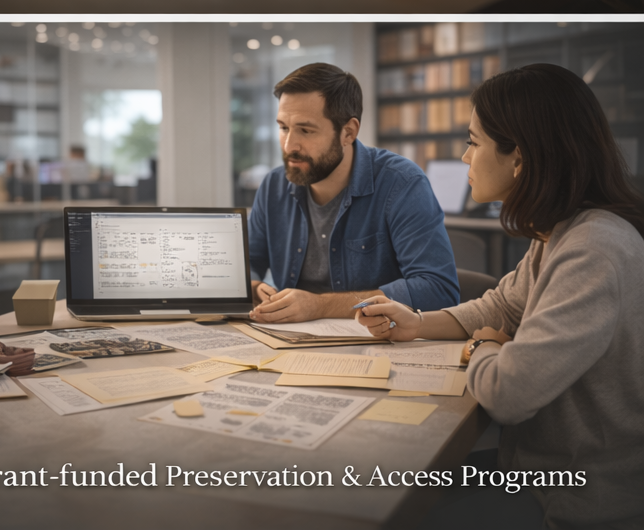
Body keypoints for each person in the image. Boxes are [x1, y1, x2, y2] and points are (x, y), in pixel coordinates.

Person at [357, 64, 644, 528]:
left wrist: (482, 347)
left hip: (575, 499)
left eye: (474, 142)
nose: (465, 157)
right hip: (535, 471)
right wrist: (417, 322)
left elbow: (508, 393)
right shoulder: (561, 233)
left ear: (519, 158)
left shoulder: (593, 251)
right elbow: (502, 307)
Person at [247, 63, 459, 322]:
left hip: (373, 341)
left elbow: (439, 290)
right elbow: (248, 263)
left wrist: (321, 306)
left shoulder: (401, 183)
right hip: (287, 336)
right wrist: (254, 287)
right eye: (283, 128)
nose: (290, 145)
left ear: (348, 132)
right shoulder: (274, 186)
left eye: (306, 130)